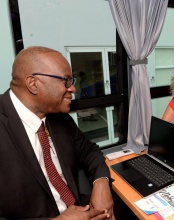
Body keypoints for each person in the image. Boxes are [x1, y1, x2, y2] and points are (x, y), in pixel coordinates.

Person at [0, 46, 115, 219]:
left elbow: (89, 151)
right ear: (33, 84)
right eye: (66, 81)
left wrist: (101, 183)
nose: (73, 89)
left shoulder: (58, 117)